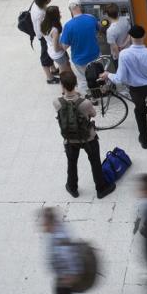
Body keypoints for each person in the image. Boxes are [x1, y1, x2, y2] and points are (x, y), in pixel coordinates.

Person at [102, 25, 147, 149]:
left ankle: (143, 139)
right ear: (144, 35)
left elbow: (120, 78)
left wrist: (108, 74)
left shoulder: (124, 54)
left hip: (136, 90)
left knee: (139, 111)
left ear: (130, 37)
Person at [54, 70, 113, 198]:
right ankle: (101, 188)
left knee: (72, 163)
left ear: (62, 85)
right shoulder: (85, 103)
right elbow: (93, 114)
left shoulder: (57, 102)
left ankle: (72, 187)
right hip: (89, 138)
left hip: (70, 140)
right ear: (76, 84)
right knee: (95, 162)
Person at [40, 207, 82, 294]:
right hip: (63, 272)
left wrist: (72, 275)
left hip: (65, 274)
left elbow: (69, 257)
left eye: (45, 224)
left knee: (61, 292)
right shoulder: (58, 230)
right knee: (63, 293)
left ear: (50, 223)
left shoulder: (60, 239)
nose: (43, 226)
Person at [60, 0, 102, 95]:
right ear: (80, 6)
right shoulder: (91, 18)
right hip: (95, 54)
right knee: (97, 75)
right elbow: (98, 30)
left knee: (83, 79)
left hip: (80, 59)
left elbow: (64, 46)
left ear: (70, 9)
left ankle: (90, 97)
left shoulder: (68, 26)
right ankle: (99, 92)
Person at [29, 0, 56, 83]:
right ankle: (50, 78)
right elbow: (39, 29)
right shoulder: (40, 13)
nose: (50, 0)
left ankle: (53, 69)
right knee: (45, 55)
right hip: (44, 37)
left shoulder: (37, 5)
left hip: (45, 35)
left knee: (49, 53)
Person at [41, 6, 71, 74]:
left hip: (50, 50)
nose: (60, 13)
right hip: (58, 54)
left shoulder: (43, 23)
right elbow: (56, 48)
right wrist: (65, 46)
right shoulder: (55, 30)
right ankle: (65, 83)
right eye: (58, 12)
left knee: (67, 65)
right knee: (64, 72)